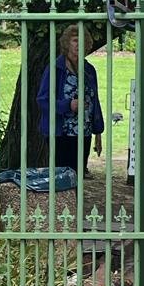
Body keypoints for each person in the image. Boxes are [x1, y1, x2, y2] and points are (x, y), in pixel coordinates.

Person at [36, 24, 104, 177]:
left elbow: (95, 101)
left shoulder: (89, 70)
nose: (78, 44)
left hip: (84, 133)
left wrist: (98, 132)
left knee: (78, 175)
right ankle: (63, 202)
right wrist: (68, 105)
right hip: (60, 134)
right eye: (74, 40)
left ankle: (76, 201)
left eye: (82, 40)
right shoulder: (56, 68)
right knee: (61, 177)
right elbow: (42, 100)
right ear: (67, 43)